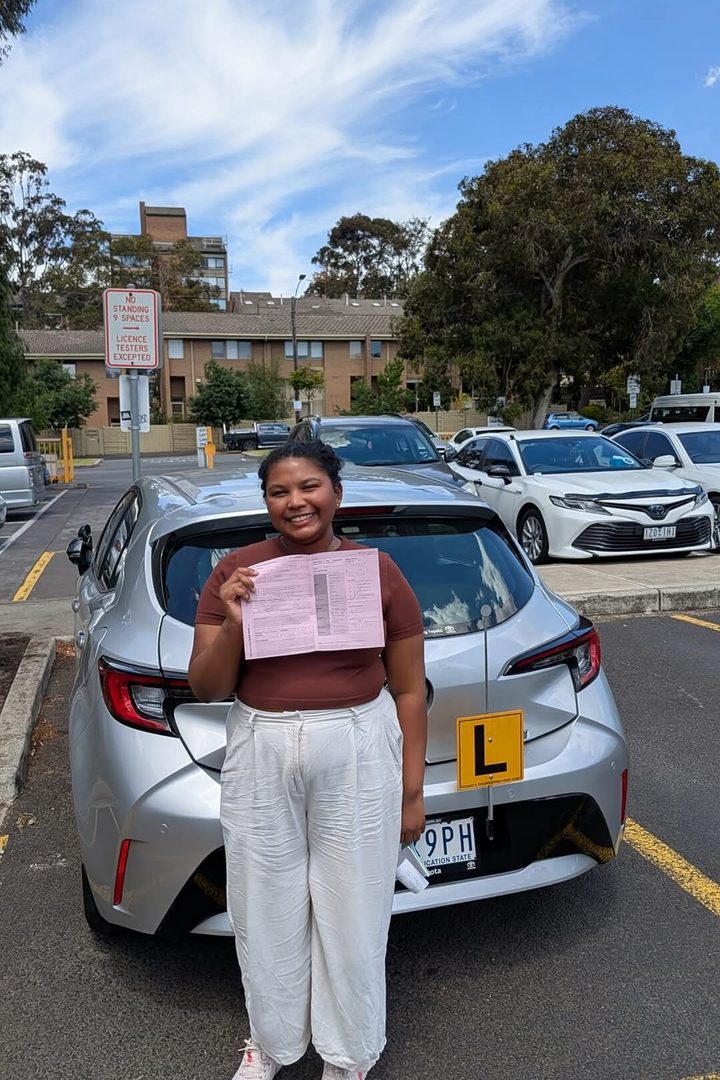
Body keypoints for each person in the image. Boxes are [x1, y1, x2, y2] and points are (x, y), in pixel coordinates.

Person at [188, 440, 428, 1080]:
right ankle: (270, 1041)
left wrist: (411, 793)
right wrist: (236, 620)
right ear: (265, 501)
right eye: (279, 491)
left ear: (336, 494)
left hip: (356, 743)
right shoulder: (235, 573)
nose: (296, 501)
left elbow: (408, 689)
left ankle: (348, 1054)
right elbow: (208, 687)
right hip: (262, 744)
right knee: (264, 904)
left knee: (354, 909)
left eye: (310, 486)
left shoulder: (378, 573)